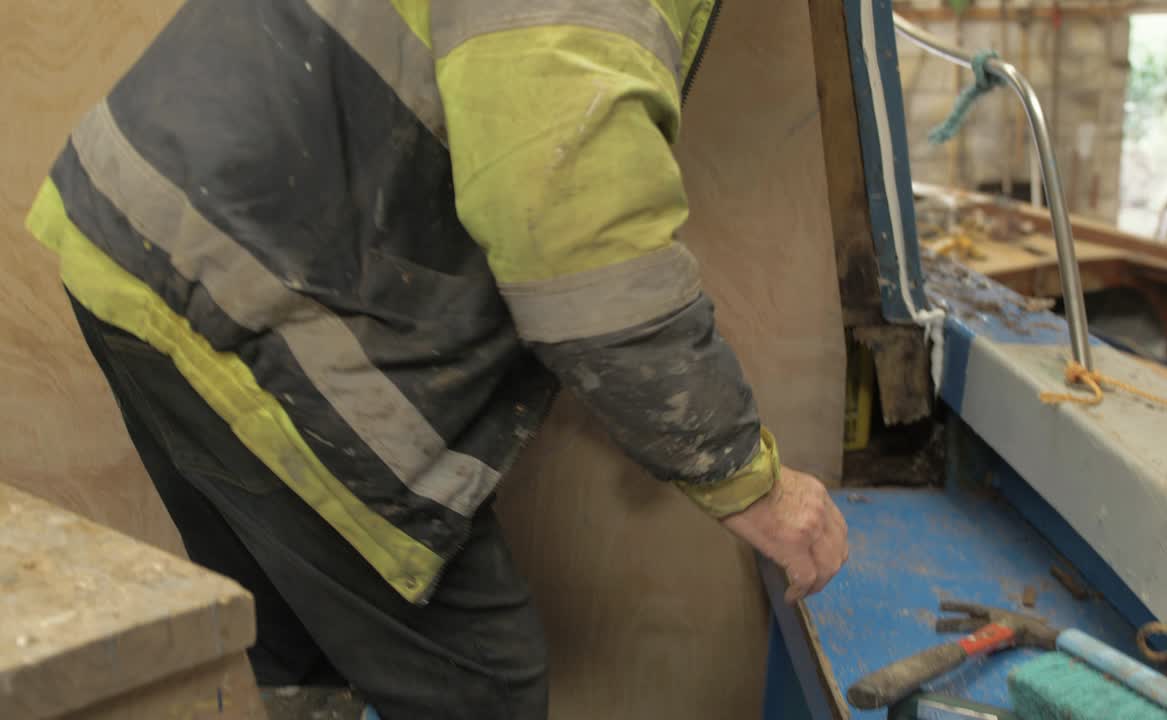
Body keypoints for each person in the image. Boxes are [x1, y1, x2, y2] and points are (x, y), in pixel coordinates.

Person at [27, 2, 850, 718]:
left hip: (153, 239)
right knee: (481, 686)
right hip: (252, 299)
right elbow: (576, 243)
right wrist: (753, 483)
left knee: (298, 655)